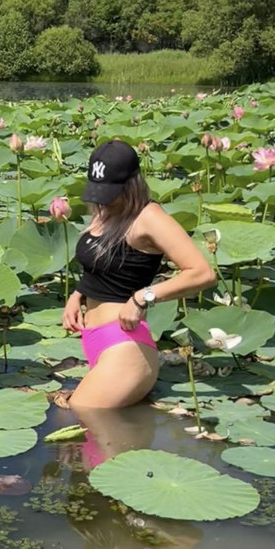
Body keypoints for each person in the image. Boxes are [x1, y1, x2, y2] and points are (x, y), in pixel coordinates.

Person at [62, 139, 216, 409]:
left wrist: (143, 298)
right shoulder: (107, 211)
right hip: (97, 339)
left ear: (131, 185)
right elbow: (102, 265)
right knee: (88, 441)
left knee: (75, 419)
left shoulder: (149, 217)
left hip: (125, 346)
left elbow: (202, 273)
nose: (101, 199)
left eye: (109, 191)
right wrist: (78, 294)